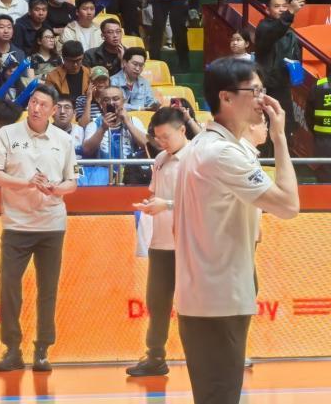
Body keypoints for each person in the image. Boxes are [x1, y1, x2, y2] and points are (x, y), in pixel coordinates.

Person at [174, 57, 299, 404]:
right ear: (226, 97)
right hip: (218, 300)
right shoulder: (221, 154)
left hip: (209, 296)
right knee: (220, 396)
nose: (263, 99)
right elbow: (289, 205)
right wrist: (280, 137)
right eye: (254, 91)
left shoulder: (207, 146)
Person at [0, 84, 78, 372]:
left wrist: (55, 189)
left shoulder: (64, 140)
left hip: (52, 224)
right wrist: (26, 183)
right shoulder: (7, 134)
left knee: (47, 289)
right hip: (16, 223)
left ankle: (42, 349)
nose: (36, 108)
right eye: (33, 102)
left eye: (43, 105)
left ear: (53, 110)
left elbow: (72, 183)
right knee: (9, 286)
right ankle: (12, 349)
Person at [127, 107, 189, 377]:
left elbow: (203, 200)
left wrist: (167, 204)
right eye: (158, 137)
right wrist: (151, 204)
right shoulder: (161, 159)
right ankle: (155, 356)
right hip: (161, 241)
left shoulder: (197, 158)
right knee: (157, 301)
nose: (161, 142)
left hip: (189, 243)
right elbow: (157, 195)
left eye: (166, 137)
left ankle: (199, 355)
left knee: (191, 305)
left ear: (182, 130)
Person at [255, 0, 304, 138]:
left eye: (284, 6)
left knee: (286, 130)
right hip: (267, 87)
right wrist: (290, 12)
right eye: (276, 6)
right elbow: (275, 31)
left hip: (284, 87)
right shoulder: (264, 27)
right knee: (266, 130)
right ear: (267, 9)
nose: (282, 9)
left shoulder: (289, 32)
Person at [82, 86, 148, 185]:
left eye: (116, 99)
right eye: (106, 100)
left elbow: (147, 146)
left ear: (123, 101)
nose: (111, 103)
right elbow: (87, 150)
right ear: (101, 104)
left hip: (130, 176)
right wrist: (102, 128)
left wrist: (128, 123)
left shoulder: (134, 121)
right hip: (101, 178)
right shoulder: (94, 124)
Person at [110, 47, 160, 111]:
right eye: (135, 64)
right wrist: (139, 108)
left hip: (142, 116)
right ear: (124, 63)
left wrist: (155, 105)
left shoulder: (144, 82)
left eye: (141, 65)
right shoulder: (113, 81)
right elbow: (116, 105)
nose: (137, 69)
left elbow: (150, 102)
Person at [306, 76, 331, 183]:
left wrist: (317, 133)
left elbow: (308, 116)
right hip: (322, 140)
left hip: (322, 143)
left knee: (325, 179)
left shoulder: (318, 86)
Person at [53, 93, 84, 158]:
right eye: (58, 107)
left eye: (67, 107)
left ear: (74, 112)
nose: (62, 111)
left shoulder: (80, 131)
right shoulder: (44, 131)